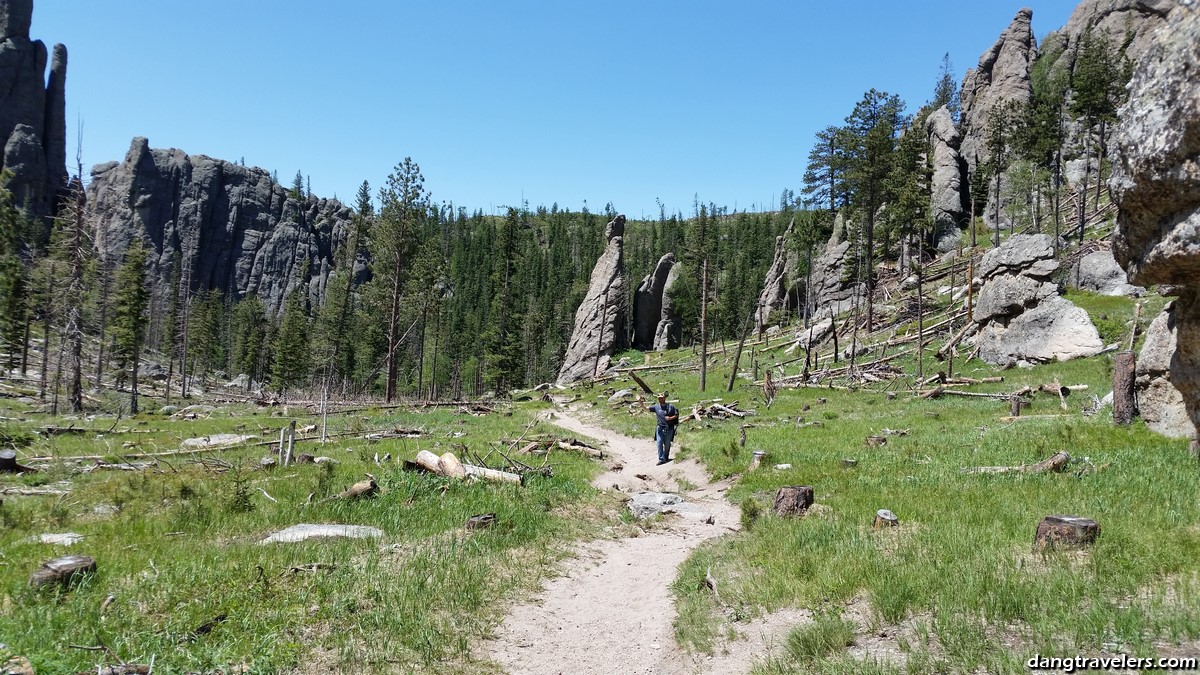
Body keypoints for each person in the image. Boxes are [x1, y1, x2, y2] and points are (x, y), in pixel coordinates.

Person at [647, 392, 679, 465]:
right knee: (659, 443)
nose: (660, 399)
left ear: (664, 398)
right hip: (659, 428)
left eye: (662, 398)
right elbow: (646, 409)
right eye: (659, 398)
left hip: (669, 428)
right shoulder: (656, 407)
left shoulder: (671, 406)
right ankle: (661, 459)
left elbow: (676, 414)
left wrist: (670, 418)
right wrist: (640, 402)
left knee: (667, 444)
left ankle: (666, 457)